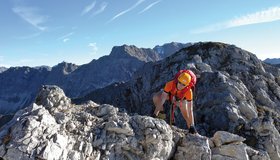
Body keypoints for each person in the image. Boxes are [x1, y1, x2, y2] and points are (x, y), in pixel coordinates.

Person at [152, 70, 197, 134]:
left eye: (183, 84)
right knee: (156, 97)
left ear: (187, 85)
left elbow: (190, 110)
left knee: (186, 115)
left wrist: (192, 125)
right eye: (179, 82)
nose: (180, 85)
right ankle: (161, 116)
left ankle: (192, 130)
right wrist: (155, 114)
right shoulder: (170, 84)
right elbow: (162, 99)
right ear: (177, 80)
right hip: (170, 95)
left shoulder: (189, 91)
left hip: (181, 101)